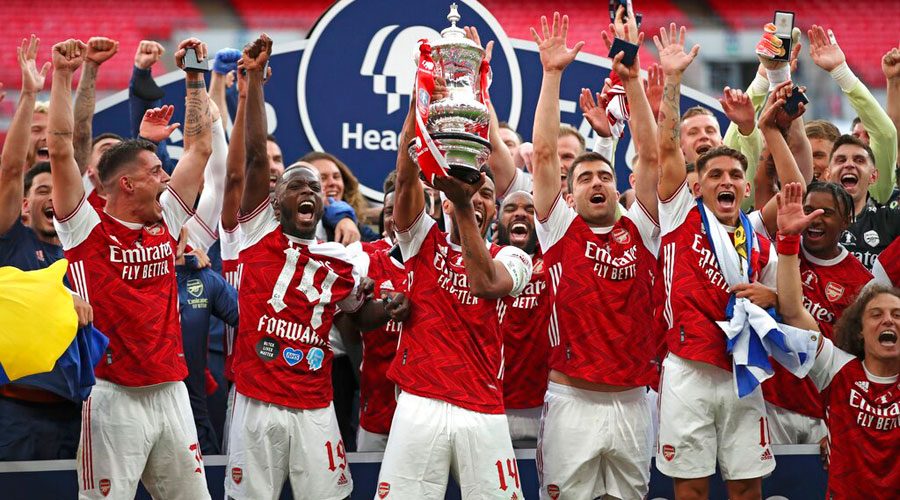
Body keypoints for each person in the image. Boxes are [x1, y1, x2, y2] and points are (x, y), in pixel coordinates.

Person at [225, 35, 397, 500]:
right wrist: (256, 81)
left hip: (317, 403)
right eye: (296, 184)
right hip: (257, 401)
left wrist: (389, 307)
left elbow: (358, 318)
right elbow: (257, 156)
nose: (308, 191)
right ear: (275, 199)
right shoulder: (257, 236)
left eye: (316, 188)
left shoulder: (341, 259)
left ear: (325, 203)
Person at [49, 37, 214, 499]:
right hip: (110, 396)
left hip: (171, 391)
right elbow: (62, 150)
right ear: (127, 184)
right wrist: (62, 76)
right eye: (157, 171)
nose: (166, 176)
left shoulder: (168, 218)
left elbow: (200, 151)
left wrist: (195, 75)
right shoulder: (85, 228)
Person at [652, 23, 808, 500]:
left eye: (735, 175)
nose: (726, 179)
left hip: (744, 369)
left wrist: (772, 297)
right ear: (697, 185)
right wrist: (673, 81)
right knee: (693, 490)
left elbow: (795, 190)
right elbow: (663, 148)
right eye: (714, 173)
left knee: (746, 490)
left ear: (744, 188)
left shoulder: (756, 232)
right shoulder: (679, 213)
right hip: (688, 370)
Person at [374, 37, 533, 496]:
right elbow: (406, 178)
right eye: (469, 192)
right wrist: (418, 102)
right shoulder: (423, 239)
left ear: (496, 206)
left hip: (483, 405)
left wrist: (463, 205)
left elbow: (485, 285)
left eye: (486, 193)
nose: (478, 199)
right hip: (420, 399)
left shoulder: (514, 256)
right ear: (442, 195)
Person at [531, 10, 661, 498]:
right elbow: (543, 154)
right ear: (569, 194)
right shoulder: (559, 230)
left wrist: (631, 82)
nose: (596, 182)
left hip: (633, 402)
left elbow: (650, 157)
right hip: (571, 400)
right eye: (584, 178)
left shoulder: (642, 228)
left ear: (616, 185)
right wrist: (550, 76)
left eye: (604, 175)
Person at [774, 182, 900, 499]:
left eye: (896, 315)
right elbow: (792, 312)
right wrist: (788, 240)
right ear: (858, 328)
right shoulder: (836, 367)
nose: (887, 320)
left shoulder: (860, 279)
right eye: (876, 315)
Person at [0, 35, 93, 461]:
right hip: (15, 410)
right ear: (23, 205)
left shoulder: (81, 247)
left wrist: (81, 75)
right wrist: (31, 93)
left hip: (76, 411)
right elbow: (11, 168)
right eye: (41, 190)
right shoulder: (11, 240)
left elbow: (76, 151)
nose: (52, 196)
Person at [755, 181, 872, 445]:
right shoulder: (777, 256)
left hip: (824, 408)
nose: (814, 219)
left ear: (847, 220)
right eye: (808, 210)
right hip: (773, 399)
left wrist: (774, 299)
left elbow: (858, 361)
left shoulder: (863, 284)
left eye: (826, 213)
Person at [808, 25, 897, 204]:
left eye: (818, 155)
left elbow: (887, 134)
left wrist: (841, 72)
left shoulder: (872, 195)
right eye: (804, 155)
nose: (810, 163)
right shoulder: (790, 203)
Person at [174, 228, 238, 455]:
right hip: (137, 413)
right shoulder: (123, 275)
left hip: (194, 416)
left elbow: (253, 322)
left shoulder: (202, 276)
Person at [494, 190, 550, 447]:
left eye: (529, 209)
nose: (520, 213)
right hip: (492, 407)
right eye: (510, 208)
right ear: (497, 222)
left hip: (547, 407)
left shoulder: (555, 261)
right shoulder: (483, 261)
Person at [827, 135, 900, 270]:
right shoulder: (812, 222)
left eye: (859, 160)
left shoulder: (892, 221)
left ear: (873, 176)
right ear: (828, 175)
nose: (849, 164)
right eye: (841, 160)